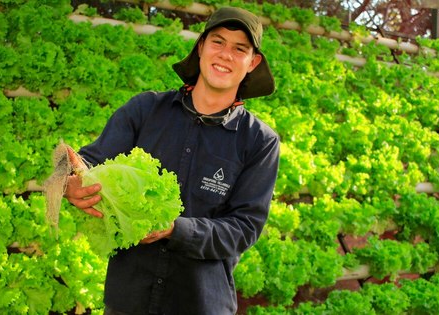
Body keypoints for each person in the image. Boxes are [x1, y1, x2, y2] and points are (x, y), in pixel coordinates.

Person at [64, 6, 280, 315]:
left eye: (239, 49)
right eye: (217, 42)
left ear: (252, 63)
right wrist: (69, 183)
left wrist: (176, 229)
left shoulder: (259, 142)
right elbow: (88, 161)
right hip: (129, 300)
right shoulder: (145, 110)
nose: (225, 55)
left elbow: (243, 228)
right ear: (201, 46)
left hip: (200, 303)